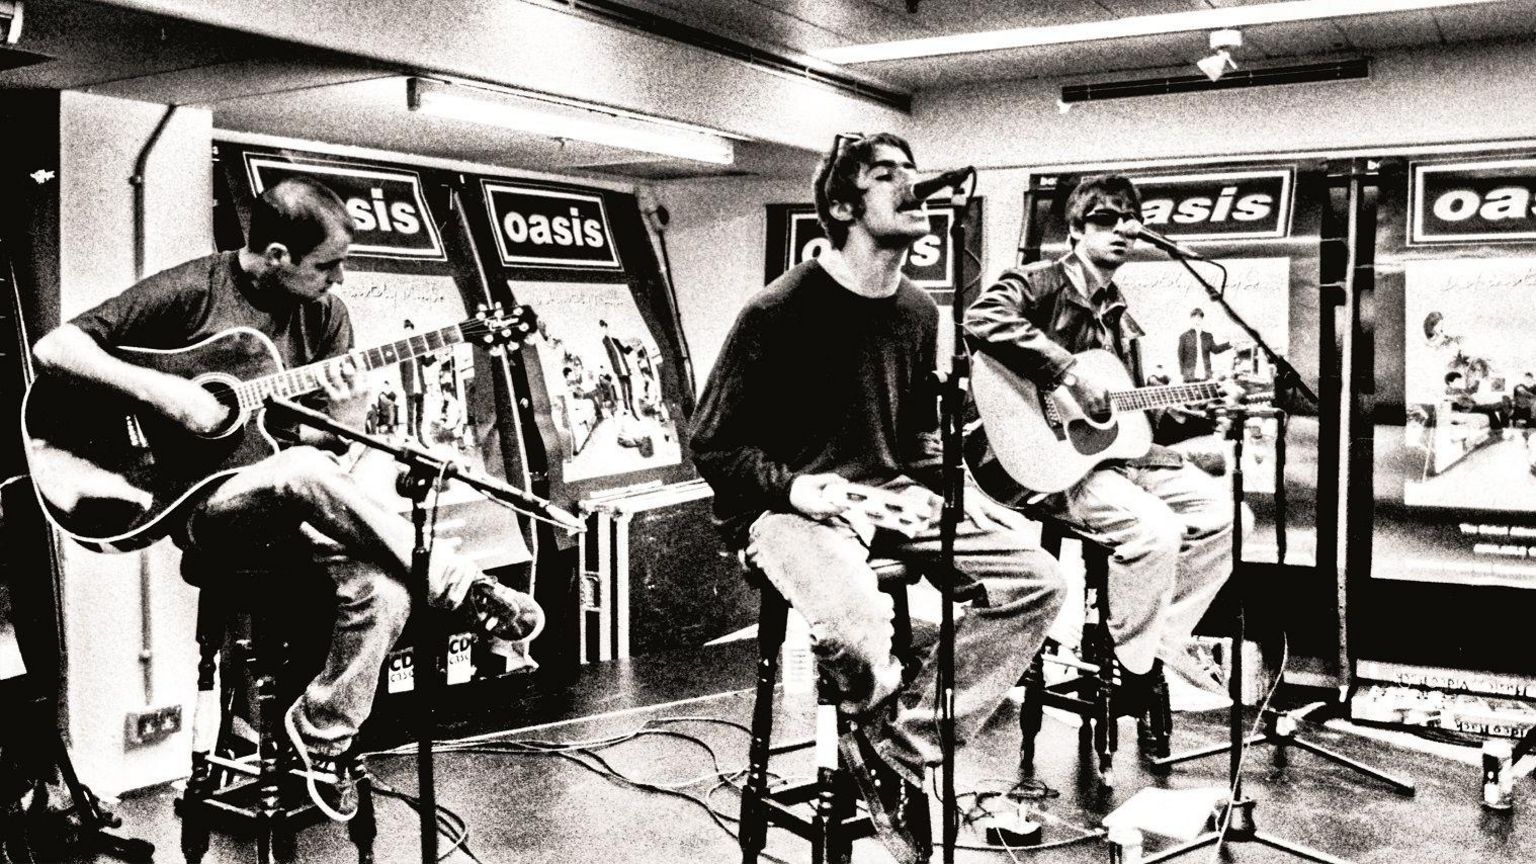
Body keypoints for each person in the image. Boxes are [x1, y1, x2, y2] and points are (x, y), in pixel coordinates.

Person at [29, 177, 543, 822]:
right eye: (327, 264)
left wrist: (349, 409)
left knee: (386, 590)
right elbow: (56, 348)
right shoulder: (195, 288)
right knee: (299, 471)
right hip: (202, 512)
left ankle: (322, 735)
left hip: (291, 503)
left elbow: (317, 453)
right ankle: (460, 585)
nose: (340, 278)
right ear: (276, 256)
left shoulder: (326, 315)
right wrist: (169, 396)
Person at [691, 132, 1064, 862]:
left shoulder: (921, 313)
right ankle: (882, 726)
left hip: (890, 495)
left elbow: (918, 437)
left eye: (911, 173)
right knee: (857, 630)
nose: (910, 186)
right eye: (887, 175)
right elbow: (712, 445)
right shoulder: (777, 311)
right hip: (787, 508)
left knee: (1037, 581)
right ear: (842, 204)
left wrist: (960, 493)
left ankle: (904, 745)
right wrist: (799, 487)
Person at [964, 173, 1240, 714]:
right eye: (1104, 221)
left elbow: (1130, 416)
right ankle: (1133, 667)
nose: (1119, 232)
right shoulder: (1037, 282)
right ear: (1075, 231)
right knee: (1156, 531)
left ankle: (1158, 640)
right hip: (1043, 461)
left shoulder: (1120, 314)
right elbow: (983, 318)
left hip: (1110, 459)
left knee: (1230, 518)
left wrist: (1187, 416)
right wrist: (1068, 371)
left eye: (1128, 223)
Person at [1177, 307, 1231, 382]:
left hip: (1205, 374)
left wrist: (1229, 344)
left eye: (1199, 318)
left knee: (1206, 392)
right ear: (1191, 320)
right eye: (1195, 318)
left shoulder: (1208, 336)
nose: (1197, 321)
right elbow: (1180, 356)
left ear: (1202, 320)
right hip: (1190, 375)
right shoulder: (1184, 336)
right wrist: (1182, 373)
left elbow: (1215, 350)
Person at [599, 320, 637, 417]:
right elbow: (609, 356)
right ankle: (627, 409)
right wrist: (613, 369)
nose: (605, 331)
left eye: (606, 328)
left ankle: (632, 408)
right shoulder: (605, 341)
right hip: (619, 370)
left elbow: (625, 351)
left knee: (630, 389)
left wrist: (632, 345)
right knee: (623, 390)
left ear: (607, 328)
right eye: (603, 329)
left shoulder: (615, 339)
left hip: (625, 368)